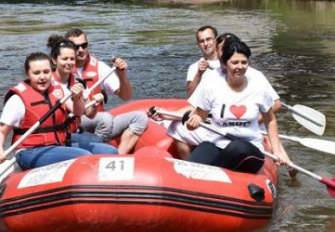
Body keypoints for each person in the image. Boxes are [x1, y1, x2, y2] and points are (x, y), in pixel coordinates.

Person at [158, 40, 288, 173]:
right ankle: (202, 176)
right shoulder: (212, 85)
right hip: (216, 143)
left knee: (238, 147)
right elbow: (200, 115)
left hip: (249, 148)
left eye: (244, 62)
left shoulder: (258, 88)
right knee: (191, 166)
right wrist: (194, 122)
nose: (240, 67)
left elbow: (270, 120)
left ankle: (210, 173)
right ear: (225, 64)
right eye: (235, 62)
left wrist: (277, 151)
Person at [0, 52, 107, 170]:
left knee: (108, 151)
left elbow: (78, 112)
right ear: (28, 74)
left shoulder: (58, 89)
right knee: (85, 156)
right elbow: (0, 131)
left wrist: (77, 98)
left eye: (46, 72)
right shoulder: (17, 100)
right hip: (29, 151)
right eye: (36, 73)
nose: (42, 77)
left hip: (57, 145)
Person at [64, 28, 148, 155]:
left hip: (98, 121)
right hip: (74, 121)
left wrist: (121, 75)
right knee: (105, 118)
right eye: (76, 47)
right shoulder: (63, 69)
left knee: (140, 118)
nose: (81, 50)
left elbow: (126, 96)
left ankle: (116, 157)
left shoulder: (99, 67)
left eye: (84, 45)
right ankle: (99, 154)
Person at [46, 35, 118, 156]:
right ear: (54, 60)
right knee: (93, 146)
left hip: (70, 134)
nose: (69, 63)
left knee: (109, 149)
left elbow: (90, 114)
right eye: (64, 59)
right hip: (51, 137)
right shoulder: (46, 83)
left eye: (72, 59)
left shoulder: (78, 81)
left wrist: (95, 103)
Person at [186, 25, 220, 96]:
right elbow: (189, 95)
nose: (206, 44)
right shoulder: (194, 67)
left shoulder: (228, 62)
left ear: (216, 40)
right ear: (198, 45)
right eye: (202, 41)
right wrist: (199, 74)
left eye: (208, 39)